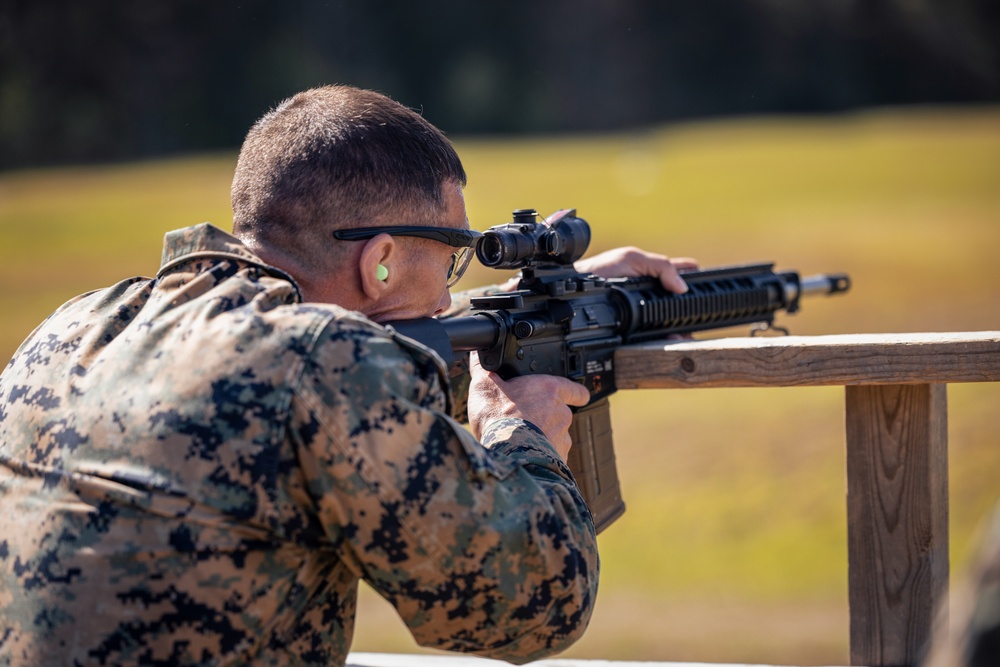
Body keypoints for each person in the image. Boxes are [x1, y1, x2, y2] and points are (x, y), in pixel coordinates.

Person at [0, 85, 692, 666]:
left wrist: (534, 309)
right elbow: (537, 601)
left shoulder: (75, 324)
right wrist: (521, 434)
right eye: (452, 258)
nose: (452, 291)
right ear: (381, 260)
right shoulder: (328, 365)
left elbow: (372, 355)